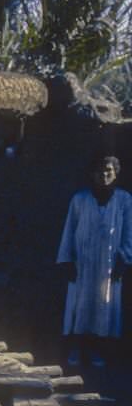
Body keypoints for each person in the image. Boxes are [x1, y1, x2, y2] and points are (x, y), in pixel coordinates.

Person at [57, 155, 132, 367]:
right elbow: (69, 230)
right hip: (82, 264)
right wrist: (67, 260)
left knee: (103, 305)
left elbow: (129, 233)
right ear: (92, 174)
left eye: (109, 170)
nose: (104, 174)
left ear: (116, 173)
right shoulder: (79, 199)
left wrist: (124, 259)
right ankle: (76, 348)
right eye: (100, 170)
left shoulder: (124, 200)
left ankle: (95, 350)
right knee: (79, 305)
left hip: (108, 265)